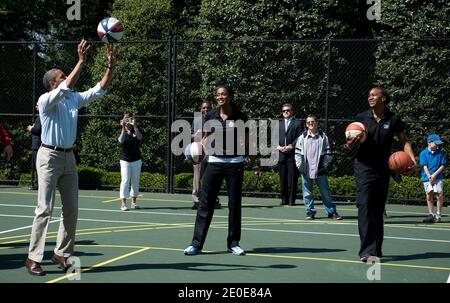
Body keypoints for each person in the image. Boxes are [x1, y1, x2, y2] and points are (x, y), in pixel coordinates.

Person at [25, 40, 116, 276]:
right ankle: (33, 258)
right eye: (62, 77)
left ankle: (61, 253)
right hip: (49, 156)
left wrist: (110, 66)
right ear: (52, 84)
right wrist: (81, 61)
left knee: (71, 209)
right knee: (44, 209)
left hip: (68, 157)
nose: (66, 79)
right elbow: (67, 86)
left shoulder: (73, 98)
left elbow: (100, 89)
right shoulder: (46, 101)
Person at [184, 85, 261, 256]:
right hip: (214, 162)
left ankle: (233, 243)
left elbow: (248, 142)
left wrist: (254, 163)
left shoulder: (240, 116)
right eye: (218, 95)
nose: (220, 97)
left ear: (230, 96)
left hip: (235, 163)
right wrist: (193, 153)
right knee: (205, 203)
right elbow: (204, 139)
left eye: (224, 94)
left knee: (234, 205)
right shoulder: (210, 116)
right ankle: (196, 244)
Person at [346, 87, 416, 262]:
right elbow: (349, 146)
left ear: (383, 98)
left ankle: (376, 249)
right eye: (369, 95)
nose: (370, 97)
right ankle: (367, 251)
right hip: (363, 168)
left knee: (377, 210)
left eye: (374, 95)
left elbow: (404, 140)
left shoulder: (393, 119)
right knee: (364, 207)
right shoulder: (361, 118)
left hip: (383, 169)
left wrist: (412, 161)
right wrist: (350, 144)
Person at [295, 114, 343, 220]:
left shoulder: (323, 137)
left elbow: (328, 153)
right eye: (308, 122)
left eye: (312, 122)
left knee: (325, 192)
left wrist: (324, 165)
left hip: (319, 170)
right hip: (306, 169)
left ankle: (331, 212)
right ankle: (310, 212)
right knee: (307, 193)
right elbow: (297, 153)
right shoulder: (302, 137)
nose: (311, 124)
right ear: (306, 124)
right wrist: (300, 166)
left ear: (317, 123)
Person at [191, 99, 221, 210]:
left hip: (212, 151)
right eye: (204, 108)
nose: (206, 110)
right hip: (199, 152)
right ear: (200, 109)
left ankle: (214, 199)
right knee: (197, 176)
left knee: (213, 176)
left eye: (208, 108)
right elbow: (191, 136)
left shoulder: (215, 120)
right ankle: (196, 200)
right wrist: (196, 134)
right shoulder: (197, 120)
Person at [277, 103, 304, 206]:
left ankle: (291, 200)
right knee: (282, 178)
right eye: (284, 111)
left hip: (292, 154)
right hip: (281, 154)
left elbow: (300, 136)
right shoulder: (278, 123)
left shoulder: (298, 123)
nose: (286, 112)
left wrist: (291, 146)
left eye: (288, 110)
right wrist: (279, 147)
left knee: (292, 178)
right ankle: (284, 199)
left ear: (292, 111)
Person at [118, 112, 143, 211]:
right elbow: (121, 141)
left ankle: (133, 202)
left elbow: (140, 137)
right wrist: (123, 128)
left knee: (135, 181)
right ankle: (123, 204)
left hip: (136, 160)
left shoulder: (136, 129)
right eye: (125, 118)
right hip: (125, 160)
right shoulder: (120, 130)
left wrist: (135, 126)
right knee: (125, 180)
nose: (127, 120)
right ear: (122, 120)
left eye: (129, 118)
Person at [420, 134, 446, 223]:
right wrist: (429, 176)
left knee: (439, 194)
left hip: (438, 177)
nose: (437, 145)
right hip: (427, 178)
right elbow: (424, 166)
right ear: (429, 143)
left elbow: (442, 165)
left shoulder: (441, 153)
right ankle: (431, 214)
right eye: (436, 143)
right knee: (429, 195)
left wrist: (434, 175)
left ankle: (438, 214)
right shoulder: (423, 153)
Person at [27, 103, 42, 190]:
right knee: (37, 166)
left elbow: (37, 130)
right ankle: (38, 183)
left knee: (38, 166)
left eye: (37, 105)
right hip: (36, 145)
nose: (36, 107)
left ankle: (39, 184)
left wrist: (31, 128)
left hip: (37, 145)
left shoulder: (40, 118)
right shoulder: (40, 117)